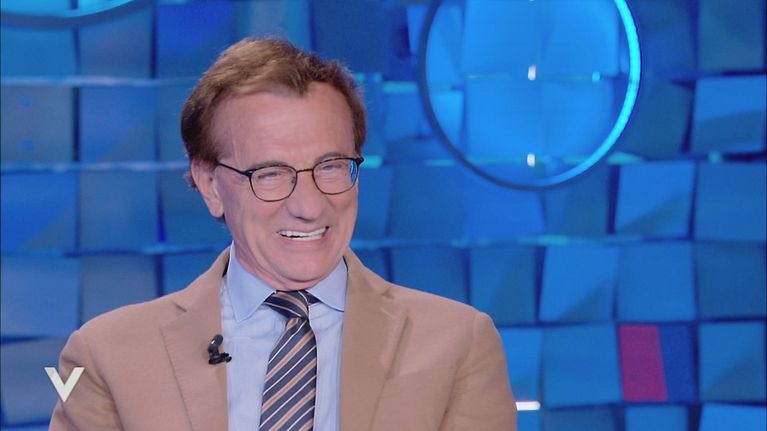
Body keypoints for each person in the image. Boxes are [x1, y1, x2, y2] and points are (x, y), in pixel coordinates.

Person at [50, 38, 517, 431]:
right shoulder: (107, 357)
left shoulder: (458, 343)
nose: (309, 206)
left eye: (331, 166)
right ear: (210, 185)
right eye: (270, 174)